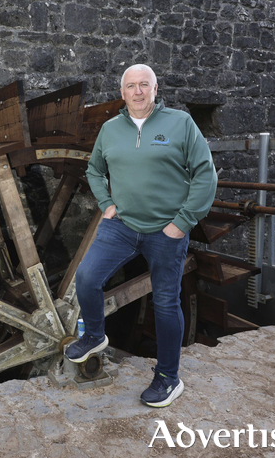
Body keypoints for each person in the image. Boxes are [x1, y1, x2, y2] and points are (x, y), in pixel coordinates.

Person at [65, 64, 218, 408]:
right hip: (122, 226)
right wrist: (106, 203)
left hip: (167, 230)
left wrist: (183, 221)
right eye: (131, 86)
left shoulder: (180, 123)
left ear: (154, 89)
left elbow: (205, 175)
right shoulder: (110, 129)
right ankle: (93, 334)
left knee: (165, 303)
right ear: (122, 93)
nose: (137, 91)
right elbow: (94, 169)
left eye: (143, 85)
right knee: (86, 278)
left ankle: (168, 377)